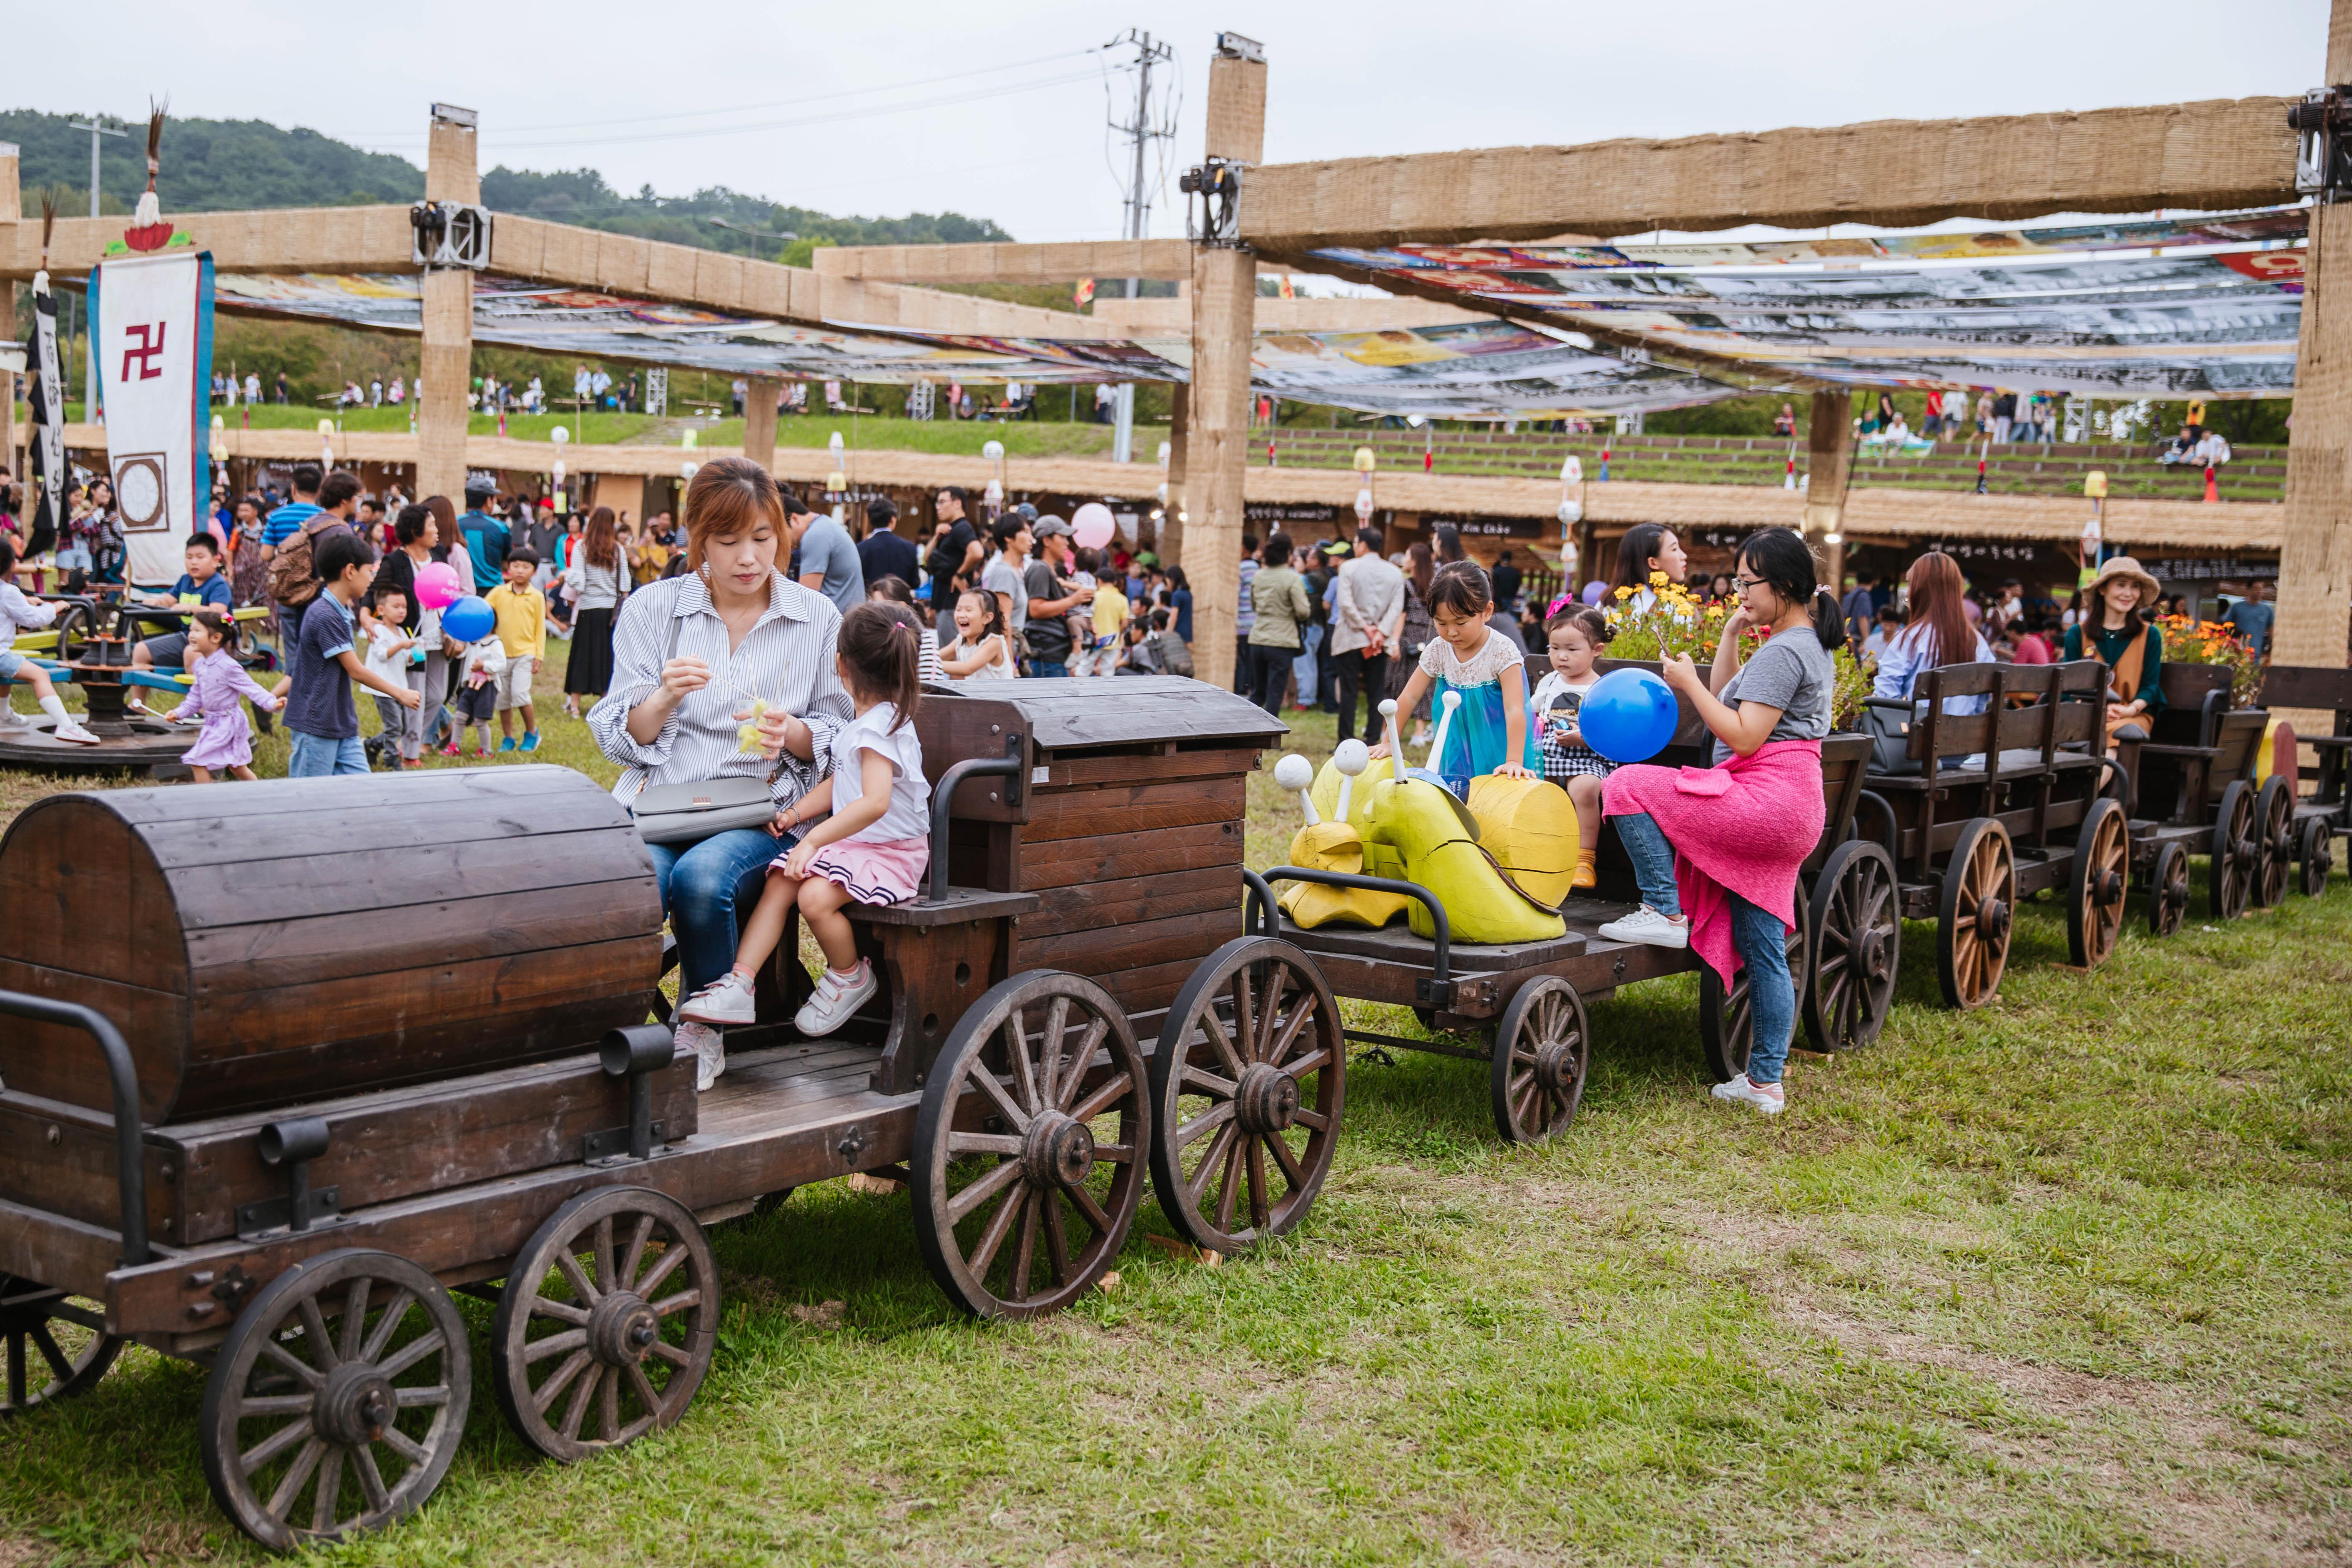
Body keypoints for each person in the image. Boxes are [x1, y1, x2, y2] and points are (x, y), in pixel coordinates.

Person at [588, 456, 855, 1090]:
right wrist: (660, 699)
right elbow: (616, 734)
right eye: (728, 540)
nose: (747, 557)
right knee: (629, 889)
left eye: (762, 538)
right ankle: (605, 1024)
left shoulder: (816, 617)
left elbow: (845, 732)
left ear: (781, 536)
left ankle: (701, 1027)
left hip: (764, 808)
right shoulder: (654, 609)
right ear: (698, 539)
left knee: (703, 877)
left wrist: (790, 731)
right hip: (662, 802)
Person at [1598, 527, 1848, 1116]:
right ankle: (1764, 1082)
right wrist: (1733, 631)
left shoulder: (1787, 650)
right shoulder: (1798, 642)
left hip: (1766, 803)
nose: (1738, 590)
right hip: (1791, 807)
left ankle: (1662, 909)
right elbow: (1729, 697)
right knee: (1764, 949)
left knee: (1626, 782)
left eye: (1746, 582)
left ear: (1783, 586)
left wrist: (1682, 682)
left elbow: (1738, 732)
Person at [678, 601, 933, 1053]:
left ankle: (852, 975)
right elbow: (843, 783)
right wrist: (796, 814)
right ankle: (740, 981)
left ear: (840, 666)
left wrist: (813, 837)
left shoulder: (880, 729)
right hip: (861, 844)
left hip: (892, 850)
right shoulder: (867, 724)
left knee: (814, 896)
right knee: (783, 879)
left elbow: (874, 802)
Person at [1370, 562, 1538, 788]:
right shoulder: (1439, 649)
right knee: (1457, 793)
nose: (1451, 632)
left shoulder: (1502, 651)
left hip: (1498, 742)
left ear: (1486, 612)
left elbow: (1515, 709)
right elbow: (1408, 697)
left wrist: (1514, 760)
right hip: (1456, 742)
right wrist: (1390, 742)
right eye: (1441, 623)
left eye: (1461, 622)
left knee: (1494, 797)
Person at [285, 531, 422, 778]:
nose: (372, 579)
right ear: (350, 571)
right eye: (370, 571)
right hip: (317, 723)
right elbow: (355, 670)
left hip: (341, 723)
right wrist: (400, 693)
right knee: (309, 801)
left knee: (362, 792)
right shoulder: (325, 615)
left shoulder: (342, 611)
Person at [1531, 604, 1615, 891]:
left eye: (1571, 649)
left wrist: (1583, 737)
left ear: (1597, 649)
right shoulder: (1549, 681)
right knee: (1538, 786)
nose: (1561, 656)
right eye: (1554, 648)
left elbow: (1606, 732)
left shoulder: (1601, 688)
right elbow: (1533, 713)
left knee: (1585, 788)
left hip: (1587, 755)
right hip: (1549, 753)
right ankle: (1543, 851)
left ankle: (1584, 859)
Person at [1871, 551, 1995, 719]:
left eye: (1910, 584)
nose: (1908, 592)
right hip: (1964, 739)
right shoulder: (1977, 641)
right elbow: (1983, 699)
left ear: (1920, 591)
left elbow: (1884, 699)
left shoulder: (1909, 639)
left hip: (1913, 739)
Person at [0, 539, 100, 744]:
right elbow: (35, 619)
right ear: (11, 565)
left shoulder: (9, 595)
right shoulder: (9, 592)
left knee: (8, 673)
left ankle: (4, 717)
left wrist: (26, 600)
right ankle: (66, 726)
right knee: (40, 675)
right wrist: (55, 607)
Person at [165, 609, 281, 782]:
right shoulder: (200, 665)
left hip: (229, 723)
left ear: (216, 638)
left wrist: (272, 703)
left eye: (197, 631)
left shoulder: (228, 666)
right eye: (191, 630)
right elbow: (195, 697)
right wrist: (179, 712)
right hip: (213, 723)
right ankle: (260, 793)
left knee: (198, 761)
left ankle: (210, 802)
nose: (191, 635)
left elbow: (252, 688)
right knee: (237, 767)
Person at [2063, 556, 2165, 744]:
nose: (2129, 593)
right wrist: (2095, 709)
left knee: (2119, 733)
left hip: (2131, 717)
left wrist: (2129, 710)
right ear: (2102, 589)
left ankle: (2102, 774)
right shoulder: (2077, 634)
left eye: (2135, 586)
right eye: (2121, 585)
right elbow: (2067, 687)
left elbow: (2151, 687)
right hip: (2086, 714)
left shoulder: (2150, 635)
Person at [1331, 528, 1404, 745]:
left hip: (1351, 638)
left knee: (1349, 691)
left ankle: (1345, 740)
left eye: (1355, 542)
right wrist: (1380, 631)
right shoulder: (1394, 572)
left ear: (1362, 545)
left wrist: (1364, 627)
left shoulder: (1349, 568)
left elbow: (1345, 603)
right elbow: (1396, 607)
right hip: (1378, 642)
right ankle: (1373, 739)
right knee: (1376, 692)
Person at [563, 505, 631, 719]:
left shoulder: (581, 547)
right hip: (610, 611)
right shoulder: (617, 549)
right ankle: (606, 699)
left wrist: (567, 576)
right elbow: (625, 585)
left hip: (587, 609)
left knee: (582, 656)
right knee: (607, 656)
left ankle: (575, 704)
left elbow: (578, 582)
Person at [130, 534, 236, 670]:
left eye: (200, 557)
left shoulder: (218, 584)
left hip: (215, 640)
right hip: (187, 636)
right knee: (140, 650)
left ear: (215, 561)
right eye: (189, 557)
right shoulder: (185, 581)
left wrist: (190, 608)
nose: (194, 562)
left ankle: (197, 691)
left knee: (191, 652)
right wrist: (156, 603)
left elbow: (217, 611)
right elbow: (168, 601)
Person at [1244, 534, 1313, 715]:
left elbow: (1254, 605)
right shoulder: (1292, 579)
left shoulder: (1258, 576)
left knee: (1258, 692)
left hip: (1258, 638)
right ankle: (1269, 736)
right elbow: (1303, 611)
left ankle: (1247, 731)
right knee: (1275, 692)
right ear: (1289, 553)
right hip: (1282, 641)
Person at [488, 548, 547, 751]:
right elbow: (484, 614)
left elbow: (541, 628)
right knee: (503, 700)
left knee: (520, 694)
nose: (520, 571)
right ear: (508, 568)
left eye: (526, 567)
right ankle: (509, 738)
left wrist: (538, 655)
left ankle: (532, 733)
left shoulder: (537, 597)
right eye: (515, 566)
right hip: (501, 655)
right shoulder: (498, 593)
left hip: (526, 653)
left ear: (534, 571)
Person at [360, 587, 419, 766]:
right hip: (383, 688)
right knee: (394, 727)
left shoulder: (402, 632)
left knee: (405, 727)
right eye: (396, 607)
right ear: (381, 610)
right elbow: (383, 655)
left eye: (404, 607)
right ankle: (391, 760)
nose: (402, 611)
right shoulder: (379, 630)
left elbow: (405, 660)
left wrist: (413, 654)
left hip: (398, 686)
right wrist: (402, 646)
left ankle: (372, 744)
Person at [1021, 517, 1086, 677]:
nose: (1067, 543)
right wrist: (1073, 600)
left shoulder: (1048, 569)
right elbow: (1036, 609)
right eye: (1062, 537)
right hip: (1046, 657)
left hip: (1053, 655)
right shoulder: (1040, 569)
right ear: (1047, 541)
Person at [445, 614, 507, 757]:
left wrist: (484, 666)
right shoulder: (472, 641)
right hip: (470, 685)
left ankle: (486, 750)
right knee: (460, 716)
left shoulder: (495, 643)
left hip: (487, 687)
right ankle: (455, 746)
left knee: (480, 720)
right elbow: (461, 655)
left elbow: (502, 663)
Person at [923, 486, 982, 631]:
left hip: (953, 605)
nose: (938, 507)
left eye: (942, 502)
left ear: (957, 504)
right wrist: (937, 537)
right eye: (938, 503)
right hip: (944, 604)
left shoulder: (962, 528)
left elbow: (977, 552)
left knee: (950, 653)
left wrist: (959, 575)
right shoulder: (948, 530)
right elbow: (925, 559)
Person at [867, 576, 945, 684]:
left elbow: (929, 687)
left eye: (881, 606)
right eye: (872, 606)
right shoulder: (884, 635)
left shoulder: (921, 638)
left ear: (901, 606)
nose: (874, 612)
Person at [980, 513, 1034, 651]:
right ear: (1009, 537)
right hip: (1004, 653)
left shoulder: (1015, 571)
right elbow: (1003, 621)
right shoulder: (1005, 573)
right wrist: (1009, 661)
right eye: (1026, 532)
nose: (1031, 539)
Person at [938, 587, 1017, 681]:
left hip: (999, 696)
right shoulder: (961, 641)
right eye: (959, 610)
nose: (962, 615)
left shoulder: (994, 642)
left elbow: (967, 668)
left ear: (987, 618)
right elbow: (936, 657)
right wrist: (922, 660)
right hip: (977, 695)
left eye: (969, 610)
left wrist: (932, 665)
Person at [1611, 523, 1691, 615]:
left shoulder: (1605, 605)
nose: (1684, 556)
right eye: (1674, 549)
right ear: (1653, 563)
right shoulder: (1672, 611)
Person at [456, 479, 508, 593]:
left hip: (460, 591)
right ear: (489, 501)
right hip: (493, 592)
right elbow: (507, 562)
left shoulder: (455, 523)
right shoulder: (500, 527)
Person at [857, 497, 918, 590]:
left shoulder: (861, 548)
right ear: (893, 520)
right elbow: (915, 583)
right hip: (900, 603)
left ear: (871, 521)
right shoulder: (910, 548)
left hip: (871, 602)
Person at [1234, 534, 1261, 695]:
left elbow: (1235, 595)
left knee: (1241, 659)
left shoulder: (1240, 568)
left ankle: (1241, 689)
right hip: (1254, 621)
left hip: (1241, 622)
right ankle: (1249, 687)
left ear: (1243, 547)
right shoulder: (1257, 568)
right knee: (1250, 658)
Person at [2223, 580, 2273, 655]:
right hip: (2238, 652)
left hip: (2258, 652)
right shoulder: (2237, 607)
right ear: (2249, 590)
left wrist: (2272, 648)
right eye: (2256, 589)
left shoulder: (2268, 610)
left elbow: (2272, 630)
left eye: (2261, 589)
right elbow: (2226, 627)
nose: (2259, 592)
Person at [1841, 569, 1878, 647]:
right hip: (1856, 639)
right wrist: (1866, 641)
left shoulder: (1849, 596)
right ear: (1872, 582)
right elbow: (1862, 618)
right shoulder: (1864, 596)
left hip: (1845, 635)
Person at [1165, 563, 1194, 644]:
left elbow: (1173, 618)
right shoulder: (1188, 594)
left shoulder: (1177, 595)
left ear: (1172, 579)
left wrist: (1167, 635)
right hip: (1188, 632)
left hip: (1178, 632)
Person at [1491, 549, 1523, 617]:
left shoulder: (1496, 571)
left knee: (1497, 617)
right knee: (1509, 616)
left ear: (1501, 558)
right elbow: (1517, 585)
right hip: (1510, 598)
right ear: (1511, 559)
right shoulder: (1515, 572)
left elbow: (1493, 585)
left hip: (1498, 600)